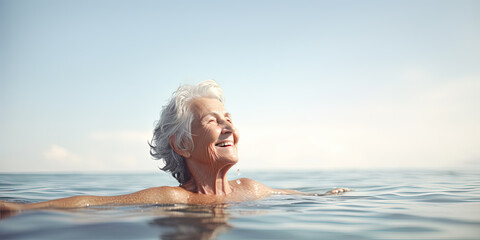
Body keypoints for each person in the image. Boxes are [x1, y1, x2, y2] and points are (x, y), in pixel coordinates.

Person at [0, 80, 349, 213]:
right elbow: (96, 202)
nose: (228, 125)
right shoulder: (178, 198)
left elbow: (299, 195)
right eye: (213, 121)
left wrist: (328, 196)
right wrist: (22, 208)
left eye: (228, 118)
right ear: (182, 144)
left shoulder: (250, 189)